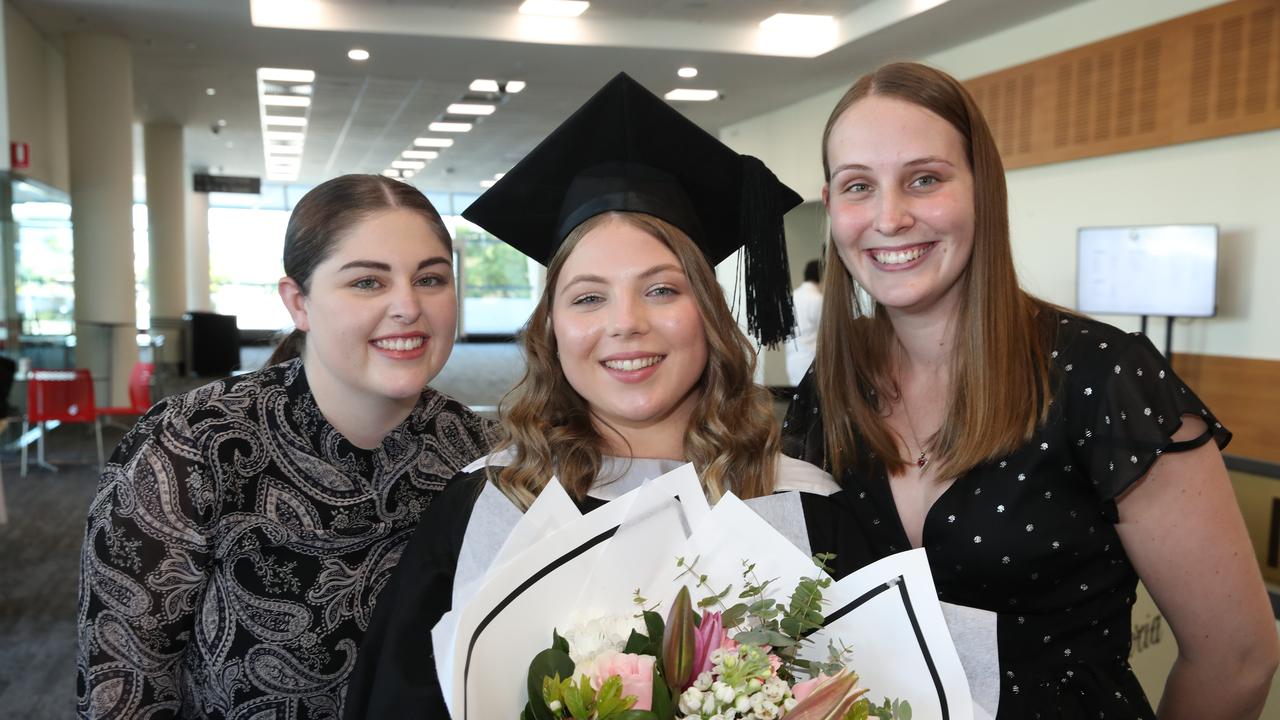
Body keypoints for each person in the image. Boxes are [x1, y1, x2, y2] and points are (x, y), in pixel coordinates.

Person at [341, 73, 871, 720]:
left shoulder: (804, 507)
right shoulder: (486, 508)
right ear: (552, 331)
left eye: (662, 290)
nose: (626, 324)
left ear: (708, 315)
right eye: (589, 297)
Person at [782, 62, 1278, 718]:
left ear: (983, 187)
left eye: (924, 179)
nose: (890, 217)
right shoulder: (833, 387)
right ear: (831, 204)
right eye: (857, 187)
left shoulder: (1104, 378)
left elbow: (1238, 658)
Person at [75, 174, 494, 719]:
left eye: (432, 279)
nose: (408, 307)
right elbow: (122, 689)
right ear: (298, 302)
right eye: (368, 282)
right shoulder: (191, 446)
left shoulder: (474, 450)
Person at [786, 258, 822, 385]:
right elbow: (827, 333)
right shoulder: (817, 299)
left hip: (793, 361)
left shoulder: (792, 297)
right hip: (811, 361)